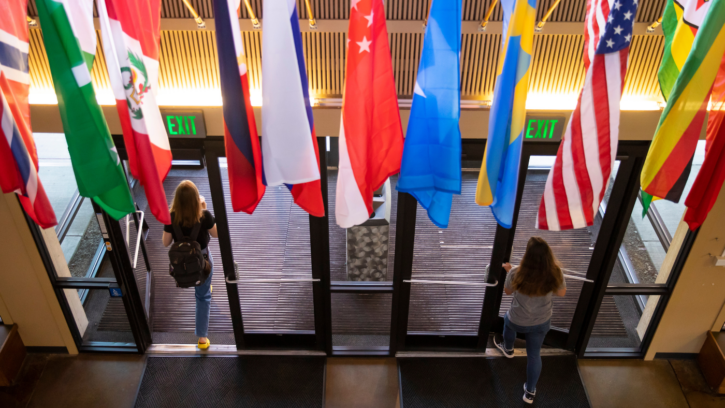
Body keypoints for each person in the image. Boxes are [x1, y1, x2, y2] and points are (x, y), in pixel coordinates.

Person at [493, 236, 566, 405]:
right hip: (541, 322)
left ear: (527, 255)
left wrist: (510, 271)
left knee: (507, 321)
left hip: (518, 318)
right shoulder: (555, 272)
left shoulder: (517, 272)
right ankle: (530, 392)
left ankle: (508, 349)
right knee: (534, 355)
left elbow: (508, 292)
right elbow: (561, 293)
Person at [162, 180, 218, 349]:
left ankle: (201, 284)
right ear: (196, 199)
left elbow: (165, 243)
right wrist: (205, 208)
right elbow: (216, 235)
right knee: (203, 297)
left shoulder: (170, 216)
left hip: (182, 264)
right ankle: (202, 339)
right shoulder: (204, 215)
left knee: (201, 289)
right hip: (202, 261)